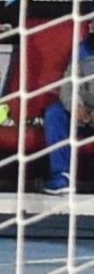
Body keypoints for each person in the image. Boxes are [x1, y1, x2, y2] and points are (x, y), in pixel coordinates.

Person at [40, 22, 91, 195]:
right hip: (84, 114)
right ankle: (62, 176)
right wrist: (76, 106)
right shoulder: (83, 49)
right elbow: (68, 84)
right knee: (55, 113)